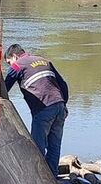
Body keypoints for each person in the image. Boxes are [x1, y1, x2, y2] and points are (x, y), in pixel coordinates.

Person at [4, 44, 69, 176]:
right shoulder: (44, 61)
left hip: (43, 108)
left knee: (37, 148)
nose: (10, 65)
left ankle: (38, 180)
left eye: (9, 62)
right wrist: (64, 104)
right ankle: (52, 177)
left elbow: (5, 86)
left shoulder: (18, 65)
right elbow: (63, 84)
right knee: (54, 146)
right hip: (59, 106)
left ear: (15, 56)